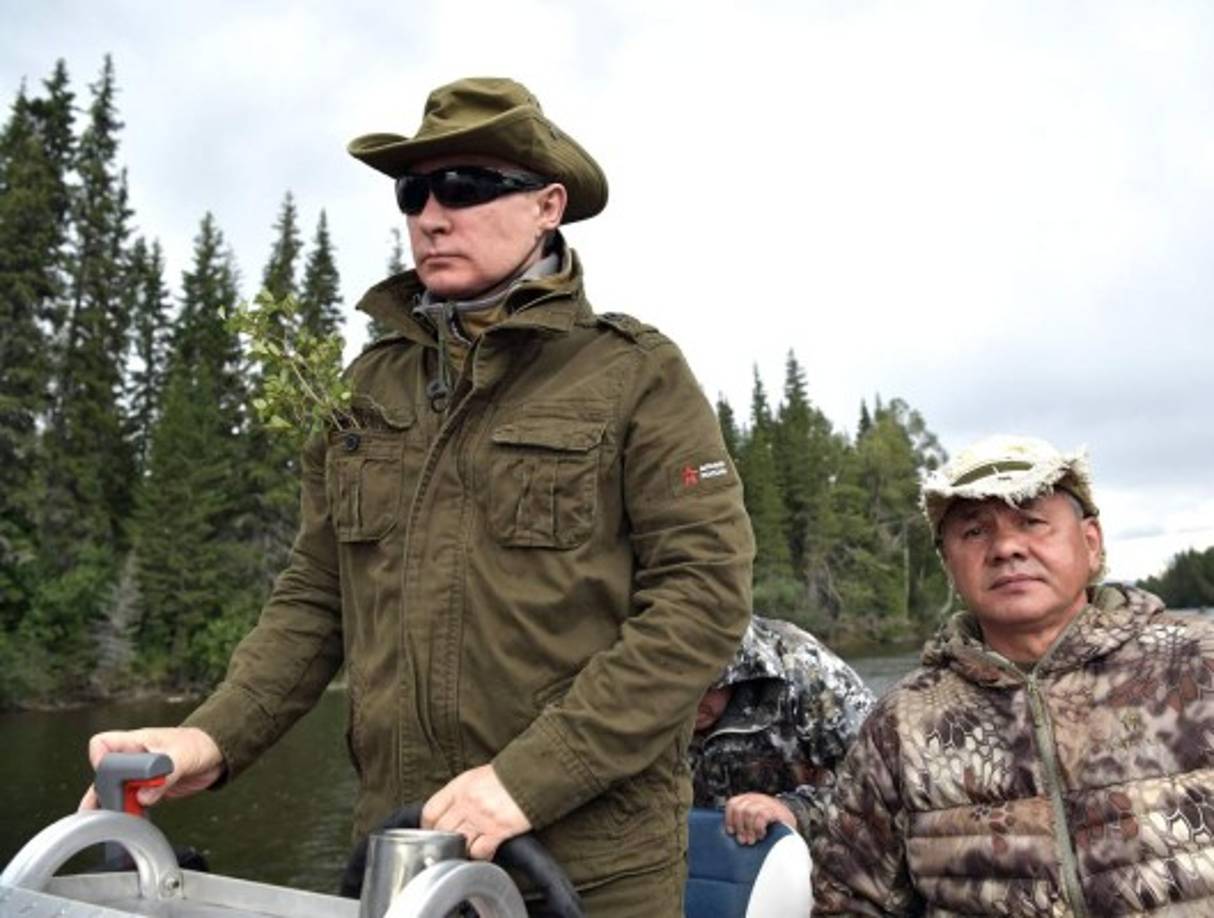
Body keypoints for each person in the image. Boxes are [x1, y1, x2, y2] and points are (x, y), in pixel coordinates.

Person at [80, 77, 754, 916]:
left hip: (594, 871)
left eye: (466, 186)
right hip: (400, 860)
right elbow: (315, 599)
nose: (432, 214)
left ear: (549, 206)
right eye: (414, 190)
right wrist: (209, 738)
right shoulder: (366, 389)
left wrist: (527, 780)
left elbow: (702, 602)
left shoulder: (637, 375)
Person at [812, 433, 1214, 916]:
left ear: (1090, 543)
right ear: (948, 564)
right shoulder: (902, 722)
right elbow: (849, 900)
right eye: (975, 532)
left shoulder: (1198, 662)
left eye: (1032, 522)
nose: (1006, 547)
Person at [689, 614, 873, 846]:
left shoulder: (804, 668)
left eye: (701, 688)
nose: (685, 707)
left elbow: (880, 788)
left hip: (809, 864)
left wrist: (793, 812)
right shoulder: (635, 662)